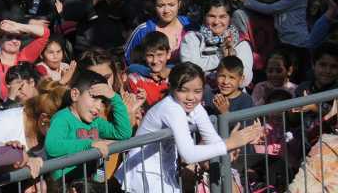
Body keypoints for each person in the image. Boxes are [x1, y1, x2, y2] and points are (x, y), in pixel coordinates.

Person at [118, 62, 264, 193]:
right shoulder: (171, 108)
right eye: (183, 90)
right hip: (143, 174)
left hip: (163, 172)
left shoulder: (195, 106)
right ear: (171, 88)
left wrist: (229, 148)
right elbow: (188, 154)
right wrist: (229, 144)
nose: (190, 97)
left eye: (197, 91)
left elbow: (211, 138)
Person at [44, 70, 132, 185]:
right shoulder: (62, 118)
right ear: (75, 94)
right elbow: (52, 146)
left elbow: (123, 133)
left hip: (92, 184)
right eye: (94, 98)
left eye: (102, 101)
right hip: (65, 186)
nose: (99, 106)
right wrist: (89, 144)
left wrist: (115, 98)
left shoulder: (96, 122)